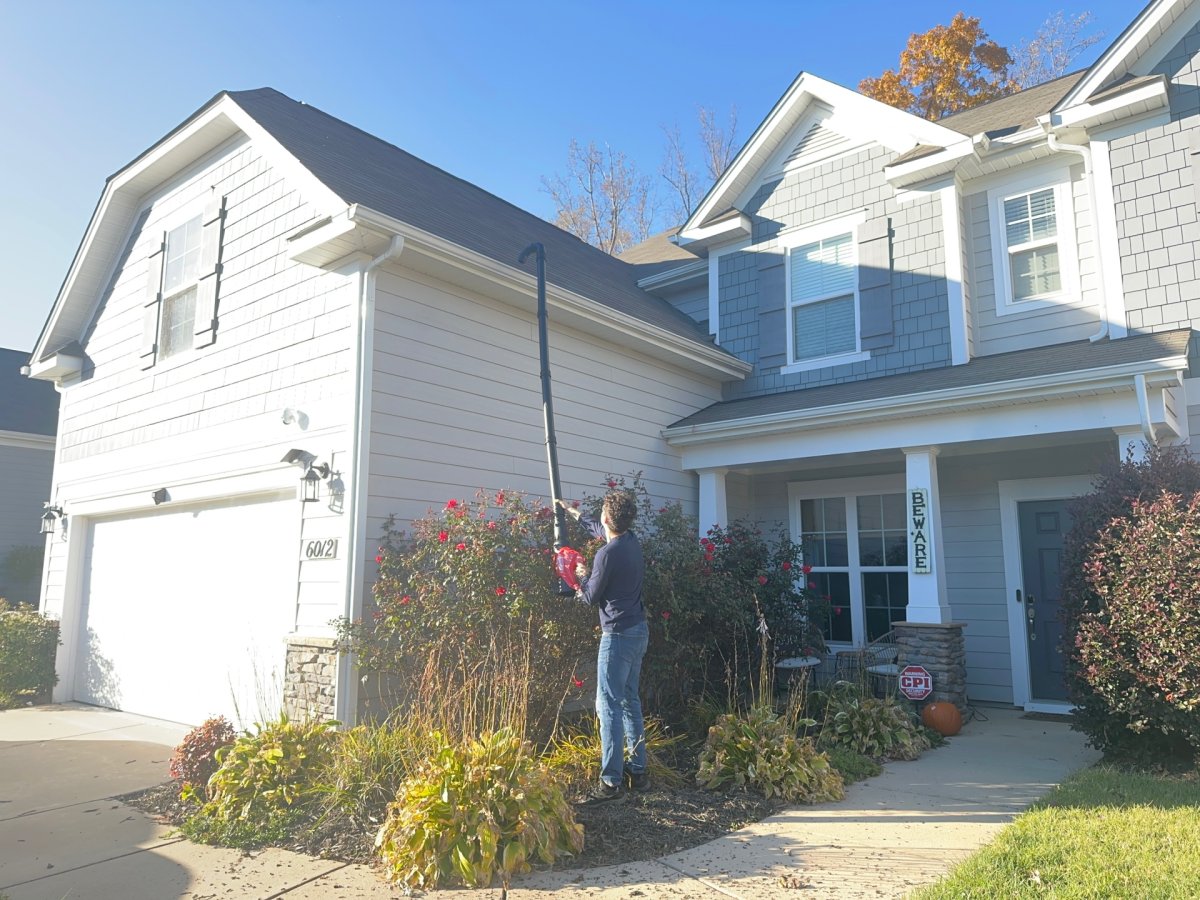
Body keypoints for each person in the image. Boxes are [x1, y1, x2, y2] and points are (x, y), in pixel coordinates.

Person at [558, 491, 650, 801]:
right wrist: (572, 513)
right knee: (629, 700)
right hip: (638, 630)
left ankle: (611, 782)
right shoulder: (631, 541)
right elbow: (600, 530)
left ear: (608, 517)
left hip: (618, 635)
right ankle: (639, 773)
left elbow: (589, 597)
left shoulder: (606, 555)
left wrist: (580, 575)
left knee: (608, 705)